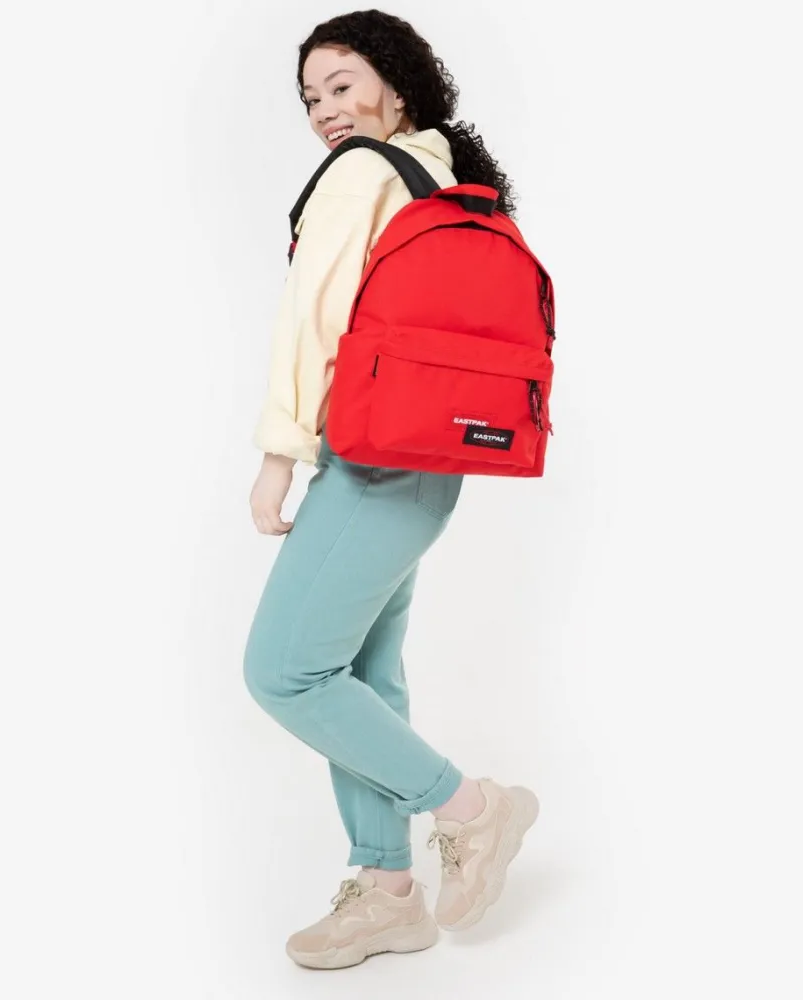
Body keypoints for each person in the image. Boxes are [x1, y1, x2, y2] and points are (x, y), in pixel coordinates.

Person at [243, 9, 538, 971]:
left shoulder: (363, 173)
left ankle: (474, 809)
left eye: (342, 85)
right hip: (433, 460)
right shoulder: (445, 174)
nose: (325, 111)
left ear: (397, 84)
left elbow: (312, 318)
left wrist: (280, 453)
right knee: (363, 676)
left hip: (371, 459)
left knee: (286, 671)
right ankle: (388, 891)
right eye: (311, 98)